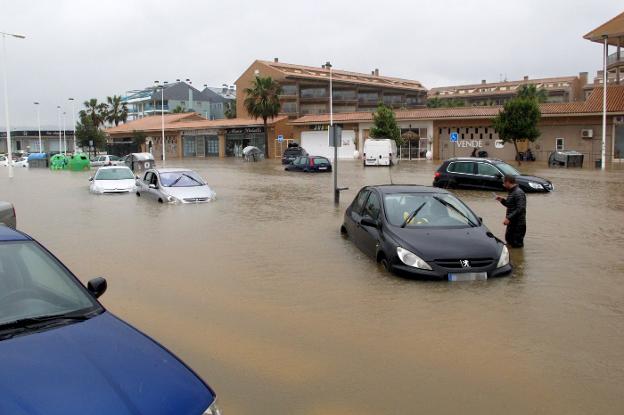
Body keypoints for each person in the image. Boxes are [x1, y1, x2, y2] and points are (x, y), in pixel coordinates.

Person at [495, 175, 526, 248]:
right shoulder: (512, 192)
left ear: (508, 182)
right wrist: (502, 200)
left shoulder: (518, 193)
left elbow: (520, 208)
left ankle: (518, 259)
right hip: (512, 223)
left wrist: (508, 218)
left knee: (516, 246)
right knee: (509, 241)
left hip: (518, 225)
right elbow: (511, 205)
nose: (503, 185)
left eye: (504, 183)